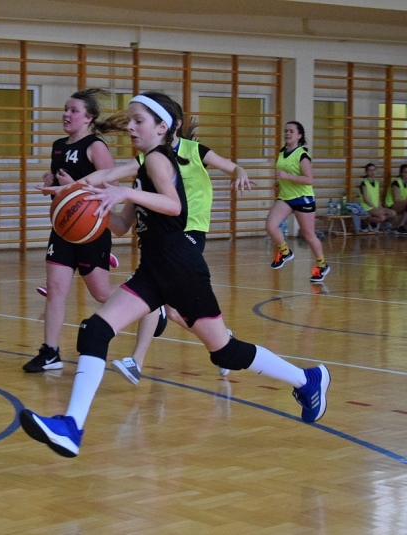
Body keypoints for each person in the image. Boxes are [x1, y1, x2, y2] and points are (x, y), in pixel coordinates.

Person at [20, 92, 330, 458]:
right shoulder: (143, 164)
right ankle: (71, 426)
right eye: (130, 120)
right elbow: (118, 215)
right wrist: (76, 197)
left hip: (180, 266)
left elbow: (173, 205)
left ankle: (307, 379)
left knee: (226, 351)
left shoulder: (158, 159)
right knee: (95, 330)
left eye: (139, 120)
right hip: (154, 269)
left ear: (162, 127)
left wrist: (122, 191)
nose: (130, 126)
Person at [112, 109, 254, 385]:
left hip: (189, 232)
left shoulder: (194, 150)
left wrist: (240, 173)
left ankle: (136, 361)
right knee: (175, 311)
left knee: (151, 290)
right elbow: (115, 174)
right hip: (160, 233)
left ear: (171, 124)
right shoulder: (149, 157)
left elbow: (231, 166)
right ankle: (224, 340)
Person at [23, 88, 122, 373]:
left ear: (88, 118)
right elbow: (63, 196)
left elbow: (112, 186)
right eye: (65, 109)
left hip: (92, 230)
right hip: (63, 229)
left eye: (73, 110)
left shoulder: (95, 147)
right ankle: (50, 352)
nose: (66, 114)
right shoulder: (58, 146)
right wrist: (52, 185)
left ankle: (147, 298)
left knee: (101, 294)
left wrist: (74, 187)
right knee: (55, 288)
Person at [265, 121, 329, 283]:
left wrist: (287, 177)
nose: (287, 133)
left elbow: (308, 179)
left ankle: (322, 265)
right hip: (286, 197)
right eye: (286, 131)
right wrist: (279, 182)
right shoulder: (282, 152)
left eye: (291, 131)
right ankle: (285, 252)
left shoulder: (302, 155)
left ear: (299, 136)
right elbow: (284, 173)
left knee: (309, 235)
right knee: (271, 226)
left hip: (302, 198)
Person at [359, 163, 396, 233]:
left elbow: (378, 196)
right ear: (366, 172)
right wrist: (375, 208)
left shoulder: (377, 183)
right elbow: (366, 199)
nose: (372, 172)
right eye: (370, 170)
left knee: (393, 213)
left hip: (376, 206)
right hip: (368, 207)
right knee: (382, 217)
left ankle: (373, 221)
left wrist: (380, 207)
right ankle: (365, 221)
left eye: (374, 170)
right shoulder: (364, 183)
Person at [388, 164, 407, 235]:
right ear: (401, 173)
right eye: (405, 172)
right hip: (391, 205)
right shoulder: (396, 183)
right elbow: (396, 199)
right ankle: (400, 227)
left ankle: (400, 227)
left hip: (401, 204)